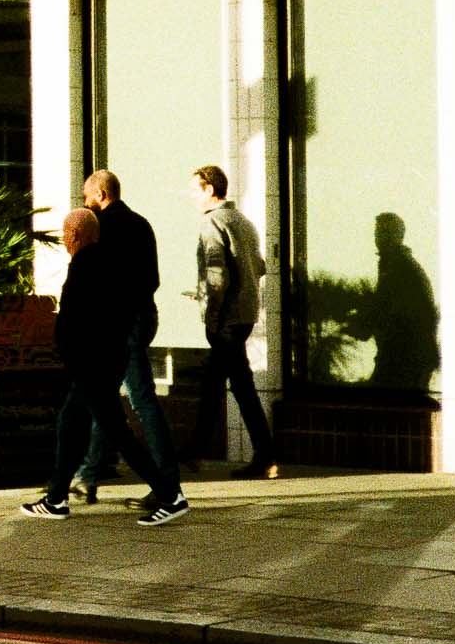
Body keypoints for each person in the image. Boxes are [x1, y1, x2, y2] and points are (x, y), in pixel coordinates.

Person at [22, 209, 187, 524]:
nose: (65, 241)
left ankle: (170, 495)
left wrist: (68, 353)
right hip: (106, 360)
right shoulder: (112, 264)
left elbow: (72, 321)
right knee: (71, 424)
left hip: (91, 365)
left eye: (66, 235)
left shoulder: (85, 266)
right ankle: (56, 498)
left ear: (76, 236)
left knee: (117, 432)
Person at [76, 170, 176, 502]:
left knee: (141, 400)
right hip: (143, 316)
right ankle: (87, 477)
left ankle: (167, 485)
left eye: (87, 197)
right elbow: (153, 279)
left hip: (119, 324)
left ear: (102, 194)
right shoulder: (142, 224)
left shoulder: (102, 228)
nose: (85, 203)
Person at [184, 165, 278, 478]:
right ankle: (263, 456)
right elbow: (260, 267)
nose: (192, 196)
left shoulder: (212, 222)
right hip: (246, 313)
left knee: (218, 384)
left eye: (196, 189)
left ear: (210, 189)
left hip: (226, 318)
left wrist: (210, 312)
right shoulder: (243, 222)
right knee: (237, 384)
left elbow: (217, 275)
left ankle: (196, 453)